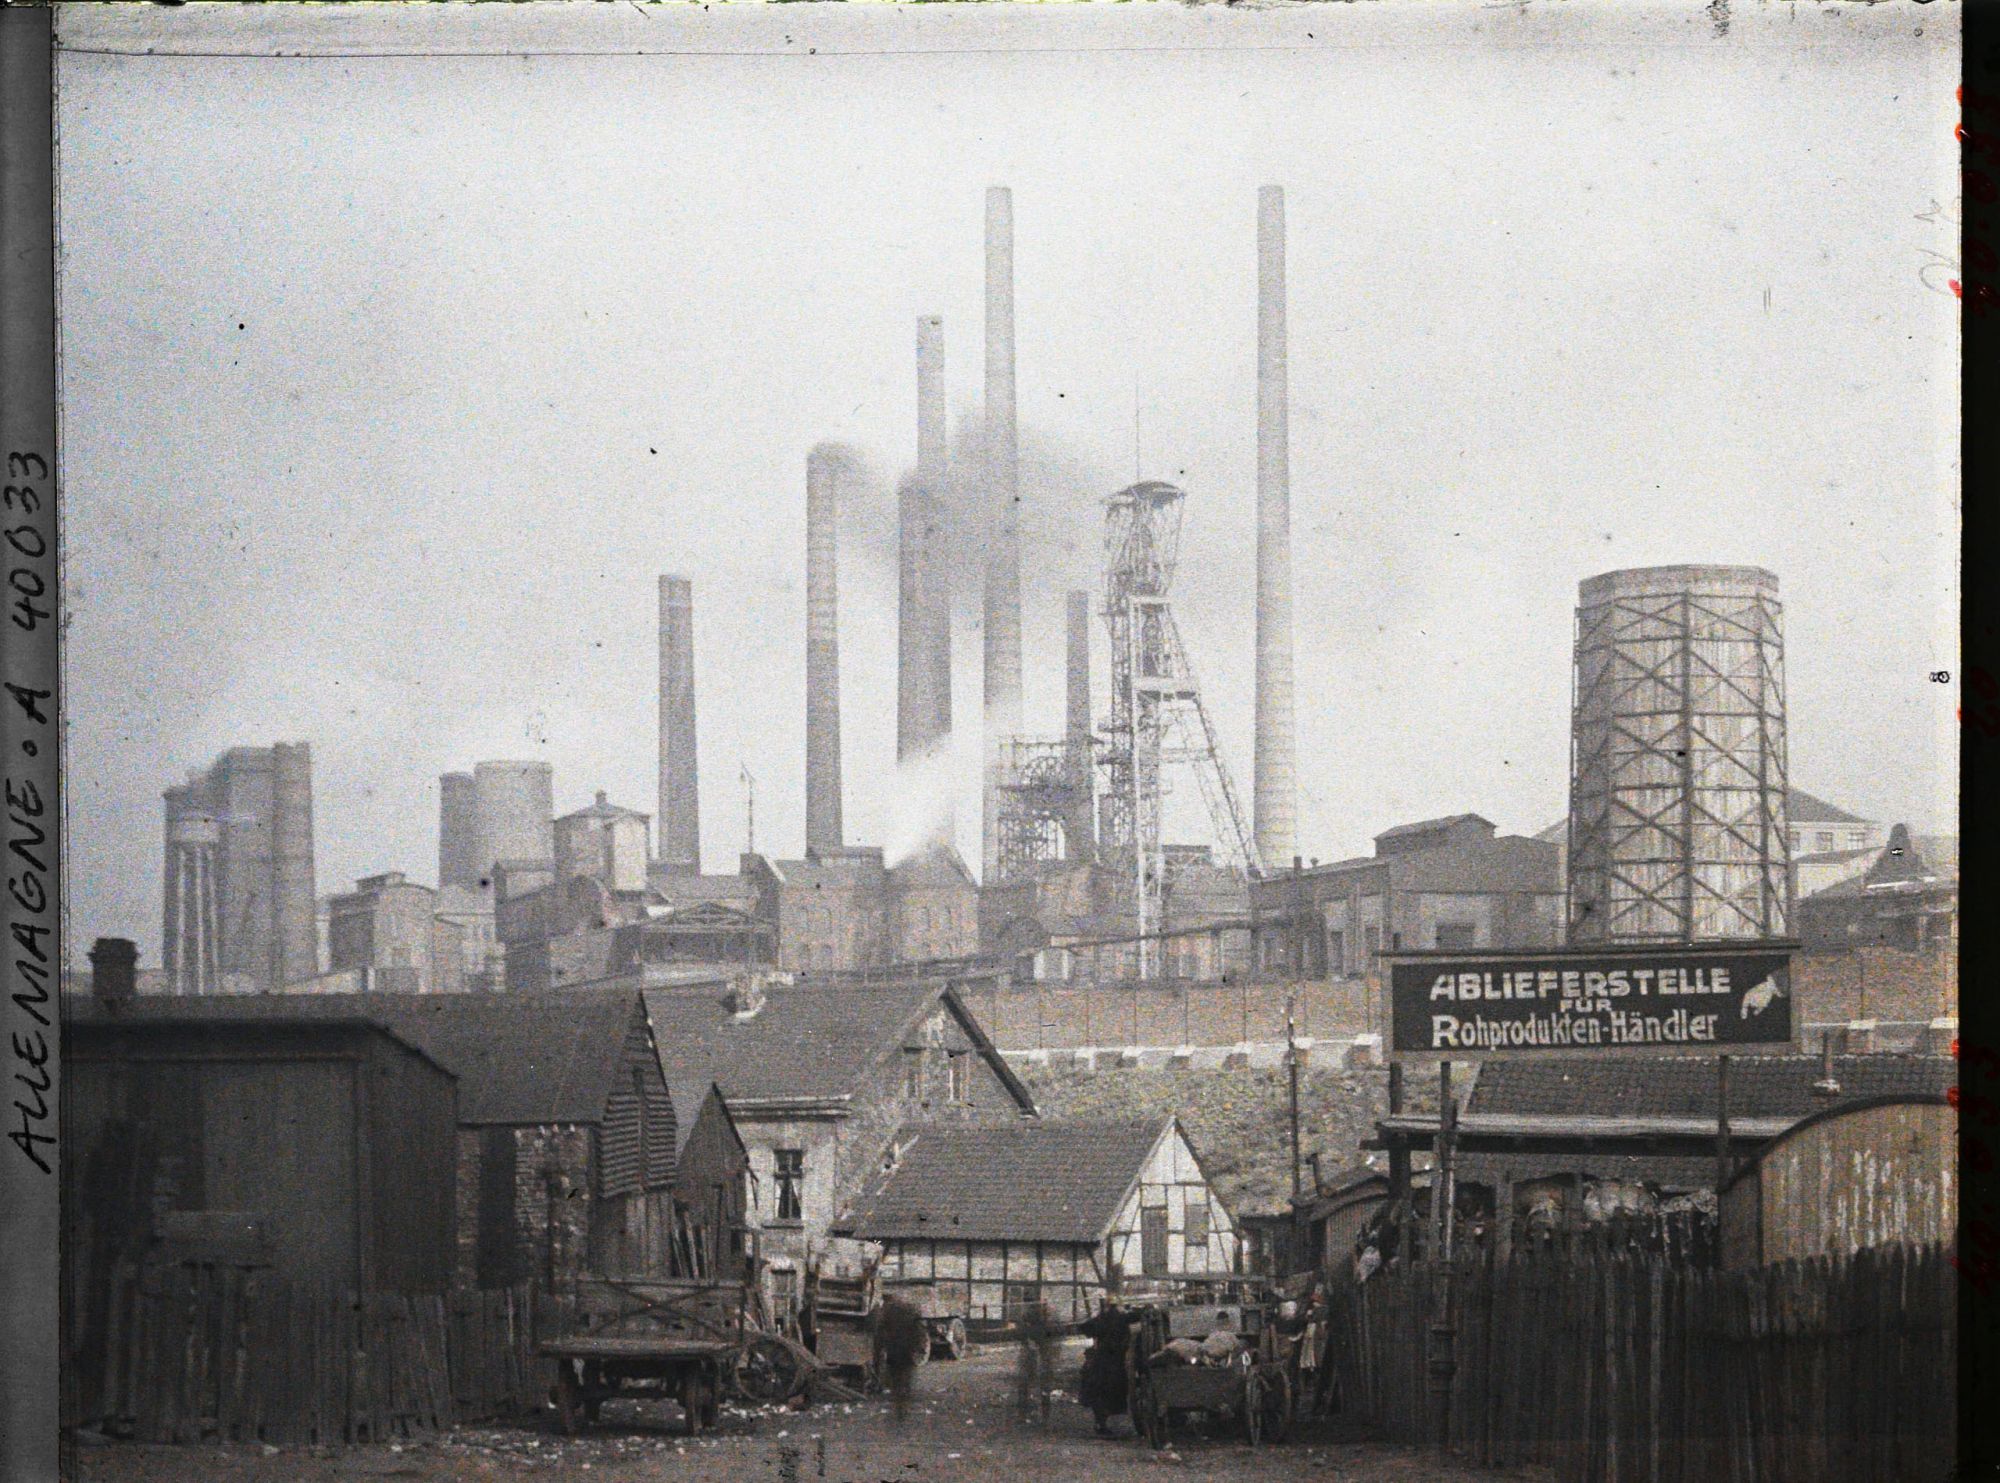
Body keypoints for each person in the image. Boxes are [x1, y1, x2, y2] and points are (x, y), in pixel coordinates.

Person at [1076, 1299, 1136, 1436]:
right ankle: (1102, 1424)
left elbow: (1084, 1327)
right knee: (1110, 1393)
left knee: (1100, 1394)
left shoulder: (1102, 1319)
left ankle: (1101, 1423)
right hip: (1114, 1361)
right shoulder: (1121, 1318)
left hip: (1102, 1361)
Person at [874, 1296, 927, 1426]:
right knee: (906, 1379)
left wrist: (878, 1350)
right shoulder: (911, 1311)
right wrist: (919, 1348)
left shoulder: (887, 1312)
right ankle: (903, 1406)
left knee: (895, 1380)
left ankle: (899, 1407)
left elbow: (880, 1332)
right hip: (907, 1352)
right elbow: (919, 1331)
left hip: (893, 1351)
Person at [1013, 1299, 1060, 1427]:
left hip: (1034, 1356)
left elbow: (1021, 1335)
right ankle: (1042, 1416)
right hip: (1040, 1357)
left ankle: (1027, 1415)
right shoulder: (1048, 1325)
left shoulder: (1029, 1326)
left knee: (1026, 1386)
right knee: (1041, 1386)